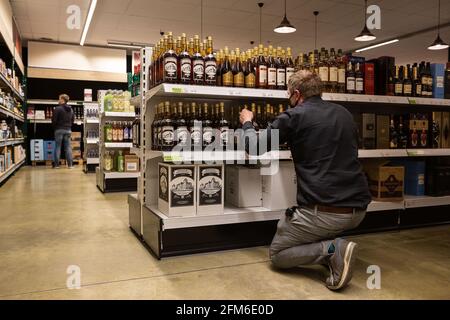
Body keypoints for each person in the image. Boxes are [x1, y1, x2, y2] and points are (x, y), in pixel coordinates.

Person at [239, 70, 372, 291]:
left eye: (289, 94)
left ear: (297, 94)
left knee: (278, 254)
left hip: (327, 212)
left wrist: (247, 123)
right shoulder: (344, 114)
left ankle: (333, 249)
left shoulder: (294, 116)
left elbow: (254, 147)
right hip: (359, 210)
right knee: (291, 222)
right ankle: (329, 247)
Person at [52, 94, 74, 169]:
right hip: (68, 130)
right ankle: (70, 165)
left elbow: (54, 120)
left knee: (58, 147)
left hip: (59, 129)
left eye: (59, 99)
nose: (58, 100)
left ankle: (56, 165)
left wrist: (55, 128)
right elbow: (72, 121)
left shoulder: (57, 109)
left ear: (62, 100)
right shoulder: (71, 109)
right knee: (68, 147)